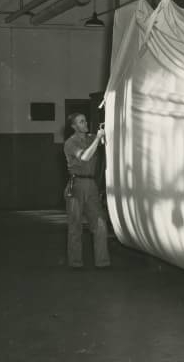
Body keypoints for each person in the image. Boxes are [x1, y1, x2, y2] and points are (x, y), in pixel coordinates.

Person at [63, 112, 111, 269]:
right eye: (81, 122)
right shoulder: (70, 143)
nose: (85, 123)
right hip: (76, 184)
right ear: (74, 127)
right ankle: (75, 263)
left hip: (91, 184)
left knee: (100, 224)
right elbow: (84, 157)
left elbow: (106, 142)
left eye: (85, 120)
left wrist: (103, 133)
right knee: (75, 227)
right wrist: (98, 139)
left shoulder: (90, 138)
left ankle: (102, 263)